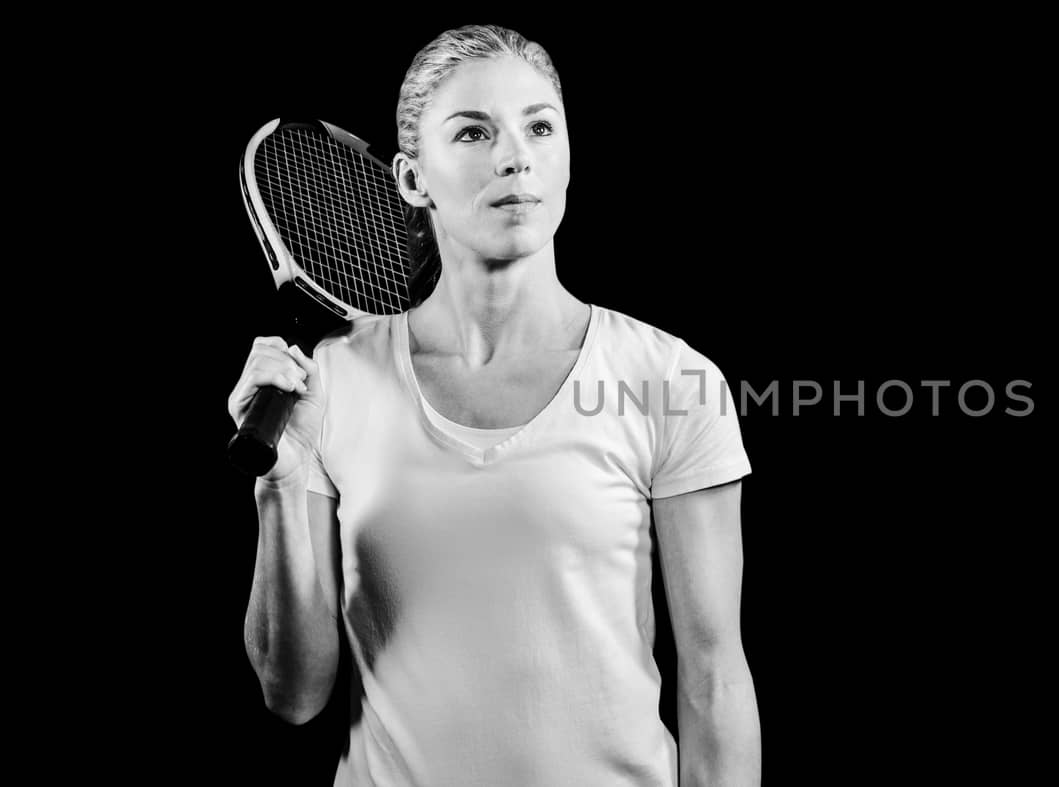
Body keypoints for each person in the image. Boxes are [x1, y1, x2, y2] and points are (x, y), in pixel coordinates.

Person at [227, 24, 760, 786]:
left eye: (541, 126)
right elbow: (294, 694)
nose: (516, 155)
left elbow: (715, 681)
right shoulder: (334, 380)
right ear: (412, 179)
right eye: (474, 132)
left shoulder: (670, 379)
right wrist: (277, 486)